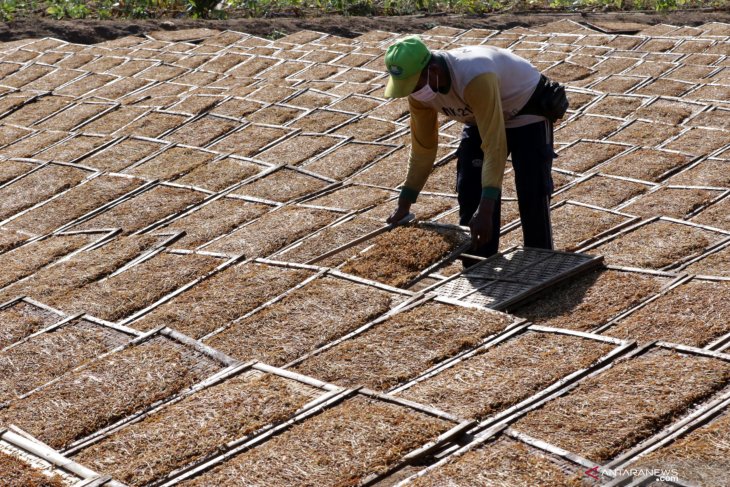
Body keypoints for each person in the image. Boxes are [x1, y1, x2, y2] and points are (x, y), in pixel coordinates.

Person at [384, 35, 568, 259]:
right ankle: (479, 261)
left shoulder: (473, 75)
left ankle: (540, 261)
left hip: (525, 111)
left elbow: (495, 146)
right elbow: (423, 149)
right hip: (479, 116)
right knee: (470, 187)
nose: (412, 92)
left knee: (532, 189)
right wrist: (404, 203)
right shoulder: (419, 95)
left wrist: (487, 208)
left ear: (432, 69)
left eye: (414, 84)